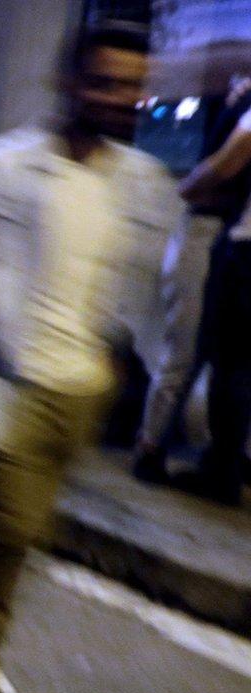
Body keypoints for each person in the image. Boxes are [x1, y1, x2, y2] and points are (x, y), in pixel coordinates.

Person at [0, 22, 175, 693]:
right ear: (68, 82)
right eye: (107, 81)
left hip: (82, 387)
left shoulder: (141, 182)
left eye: (133, 85)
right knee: (15, 526)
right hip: (10, 382)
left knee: (14, 530)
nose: (122, 98)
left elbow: (130, 285)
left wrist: (114, 366)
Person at [159, 78, 251, 506]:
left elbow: (223, 166)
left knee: (229, 362)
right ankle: (232, 464)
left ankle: (221, 473)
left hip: (245, 248)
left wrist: (188, 187)